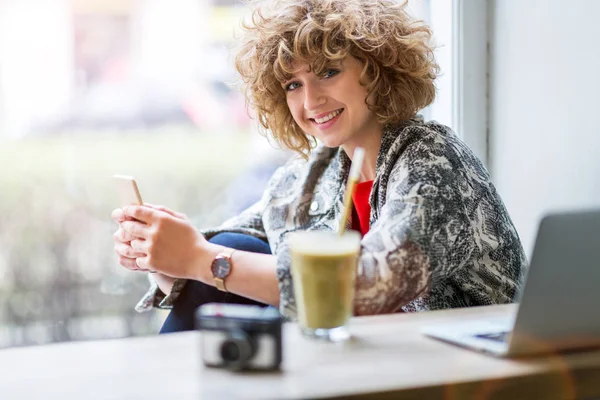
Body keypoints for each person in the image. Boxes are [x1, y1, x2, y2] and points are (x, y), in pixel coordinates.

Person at [111, 0, 527, 333]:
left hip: (466, 371)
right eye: (293, 84)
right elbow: (223, 269)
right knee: (240, 251)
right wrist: (164, 256)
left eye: (328, 72)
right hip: (369, 367)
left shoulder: (432, 158)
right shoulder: (310, 176)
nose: (310, 102)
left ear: (377, 69)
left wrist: (201, 258)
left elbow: (369, 286)